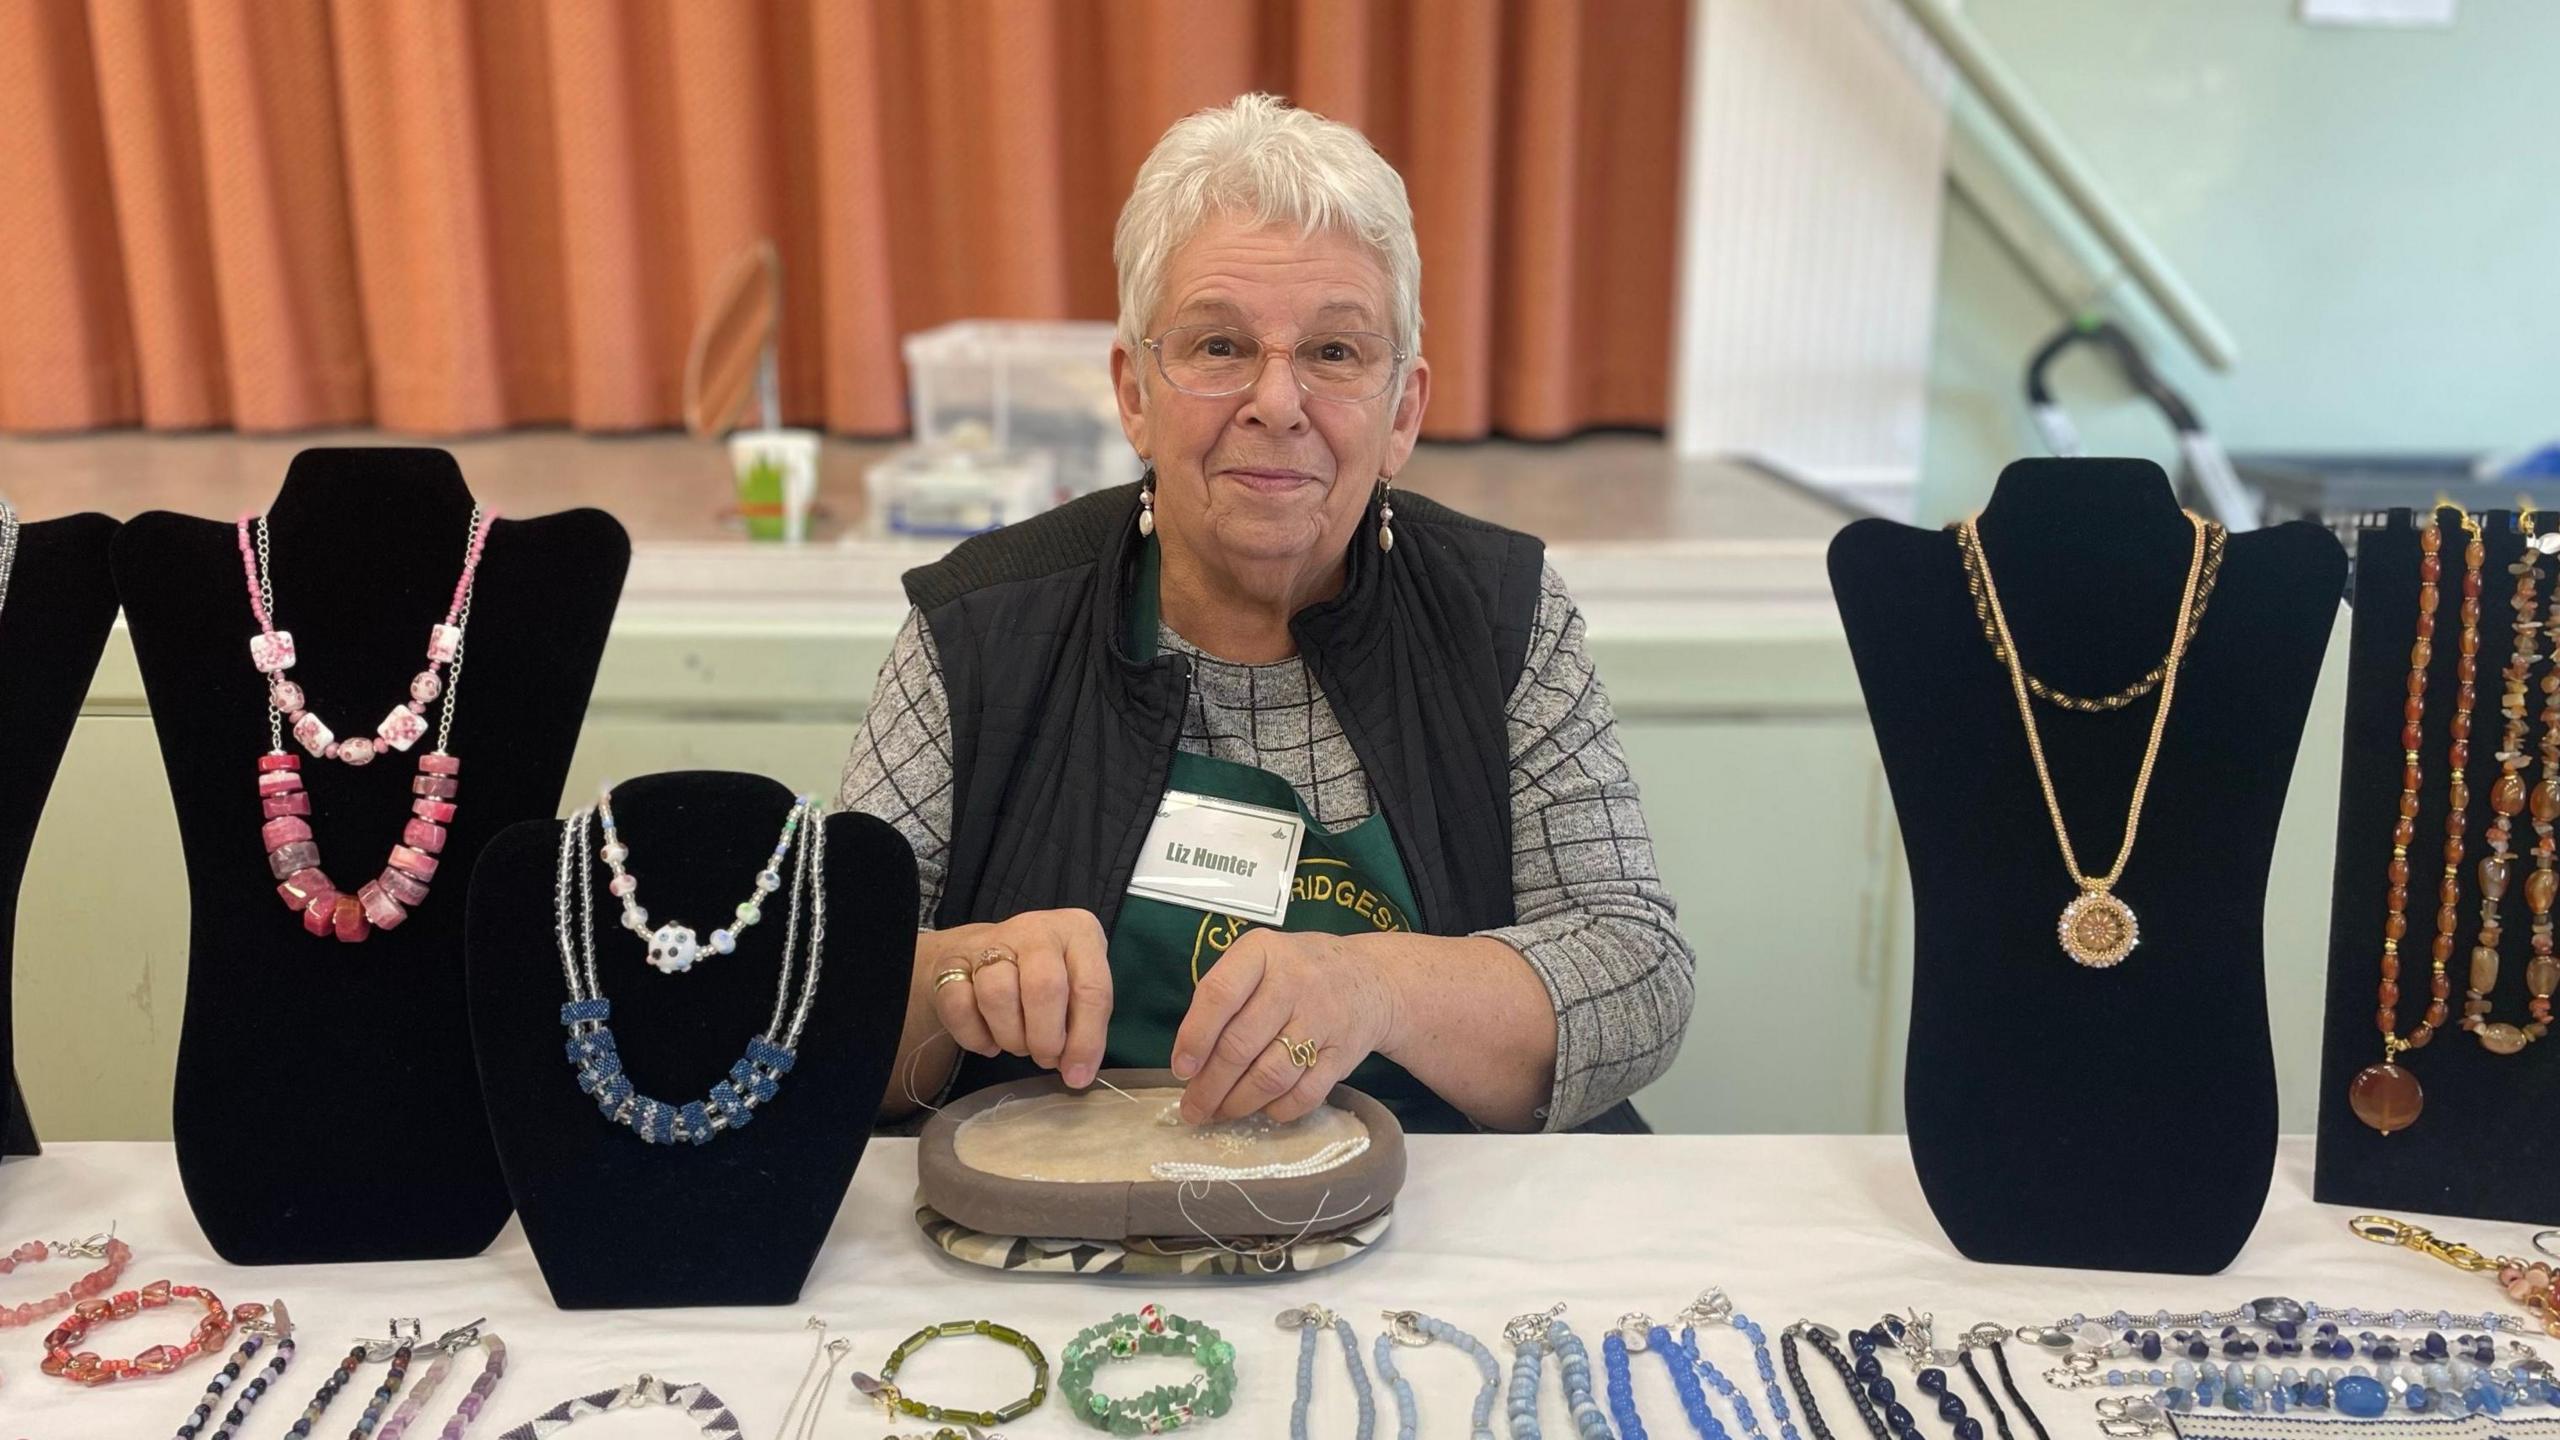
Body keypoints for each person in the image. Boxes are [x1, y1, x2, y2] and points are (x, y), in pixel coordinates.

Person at [841, 94, 1694, 1133]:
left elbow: (1638, 974)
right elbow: (814, 1004)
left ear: (1405, 412)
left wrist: (1375, 986)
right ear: (1134, 393)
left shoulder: (1500, 614)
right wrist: (952, 974)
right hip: (1065, 1228)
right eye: (1216, 346)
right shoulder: (978, 630)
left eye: (1334, 354)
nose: (1277, 402)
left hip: (1425, 1221)